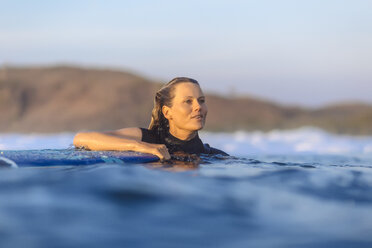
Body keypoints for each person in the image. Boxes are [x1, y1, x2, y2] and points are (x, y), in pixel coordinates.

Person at [73, 77, 228, 160]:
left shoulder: (214, 156)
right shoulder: (147, 139)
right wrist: (139, 147)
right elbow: (81, 139)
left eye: (201, 101)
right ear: (167, 113)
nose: (198, 107)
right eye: (188, 101)